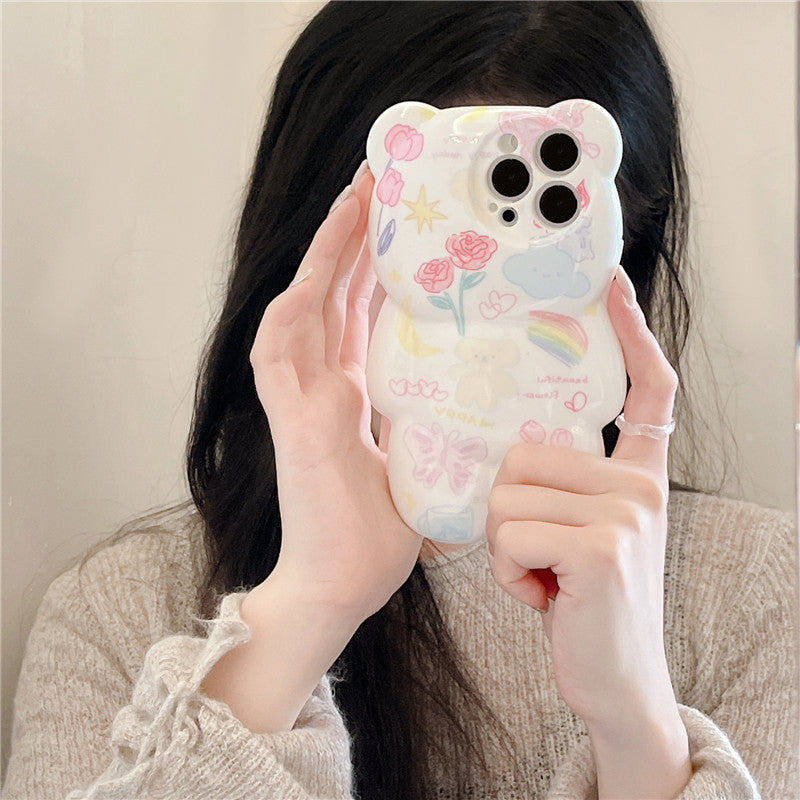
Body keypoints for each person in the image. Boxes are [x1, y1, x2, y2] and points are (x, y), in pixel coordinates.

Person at [3, 2, 797, 798]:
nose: (482, 283)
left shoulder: (759, 592)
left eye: (541, 226)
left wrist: (636, 723)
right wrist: (305, 609)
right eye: (430, 220)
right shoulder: (118, 614)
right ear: (313, 235)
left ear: (621, 246)